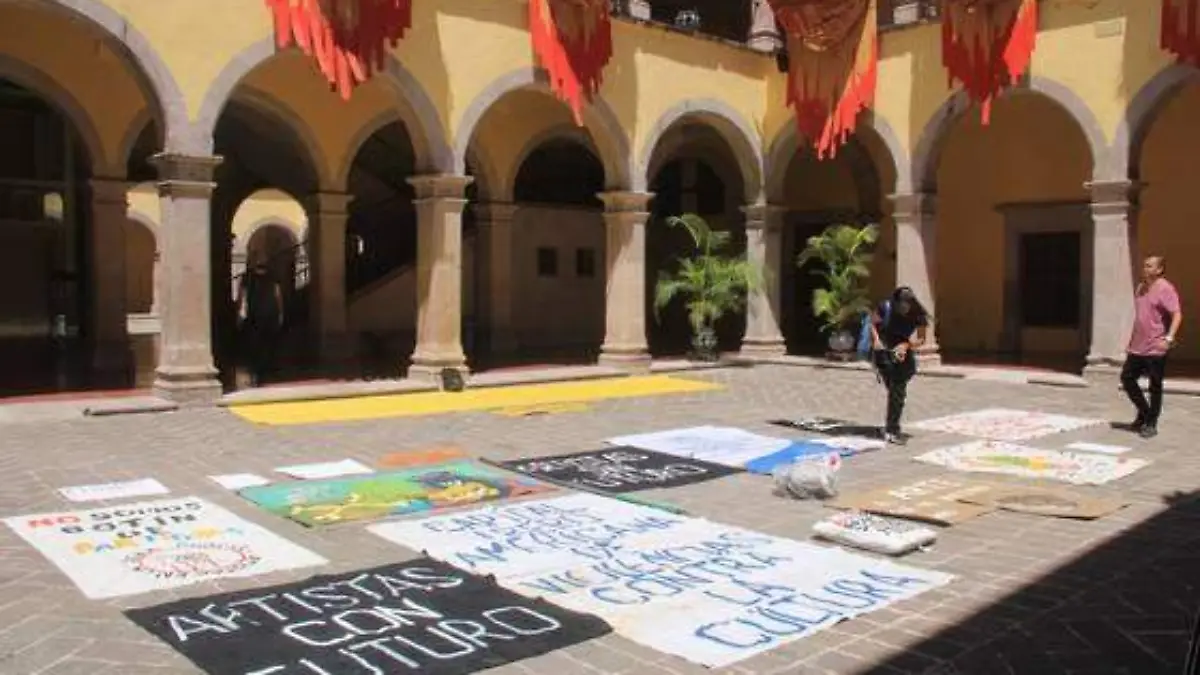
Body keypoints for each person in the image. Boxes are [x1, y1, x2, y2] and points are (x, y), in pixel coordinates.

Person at [1121, 255, 1182, 439]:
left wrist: (1169, 339)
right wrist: (1131, 340)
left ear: (1159, 269)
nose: (1145, 268)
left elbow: (1177, 314)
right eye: (1144, 265)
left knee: (1155, 386)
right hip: (1137, 346)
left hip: (1156, 346)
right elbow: (1141, 318)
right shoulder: (1141, 288)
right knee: (1127, 378)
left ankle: (1151, 423)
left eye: (1149, 266)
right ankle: (1145, 412)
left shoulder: (1165, 288)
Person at [868, 286, 930, 446]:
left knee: (897, 390)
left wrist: (906, 345)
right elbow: (873, 323)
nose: (903, 307)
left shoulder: (918, 314)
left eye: (907, 303)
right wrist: (876, 340)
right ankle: (892, 426)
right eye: (900, 303)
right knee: (895, 392)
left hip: (903, 354)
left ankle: (892, 429)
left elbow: (922, 340)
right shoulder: (885, 307)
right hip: (883, 352)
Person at [235, 262, 284, 386]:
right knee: (267, 344)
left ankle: (257, 373)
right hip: (268, 314)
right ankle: (265, 373)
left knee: (254, 345)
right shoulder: (272, 276)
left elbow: (242, 297)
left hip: (256, 315)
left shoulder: (247, 278)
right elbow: (278, 296)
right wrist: (280, 313)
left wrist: (239, 313)